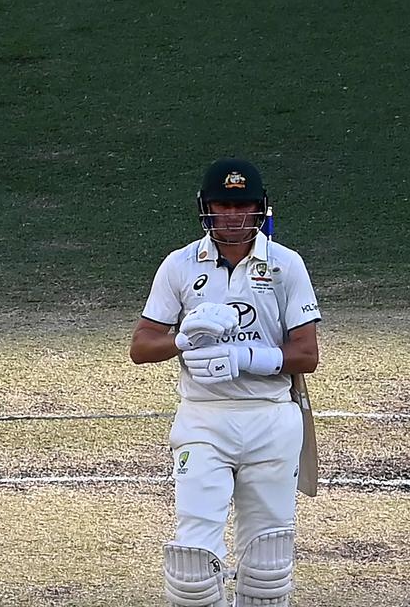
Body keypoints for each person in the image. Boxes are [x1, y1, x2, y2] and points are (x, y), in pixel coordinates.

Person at [129, 158, 320, 607]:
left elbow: (307, 355)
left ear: (259, 208)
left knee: (267, 560)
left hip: (271, 418)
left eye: (243, 205)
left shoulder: (285, 265)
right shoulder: (179, 265)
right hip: (203, 419)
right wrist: (183, 339)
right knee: (193, 559)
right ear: (207, 209)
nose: (234, 215)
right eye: (223, 205)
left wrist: (246, 357)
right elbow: (141, 347)